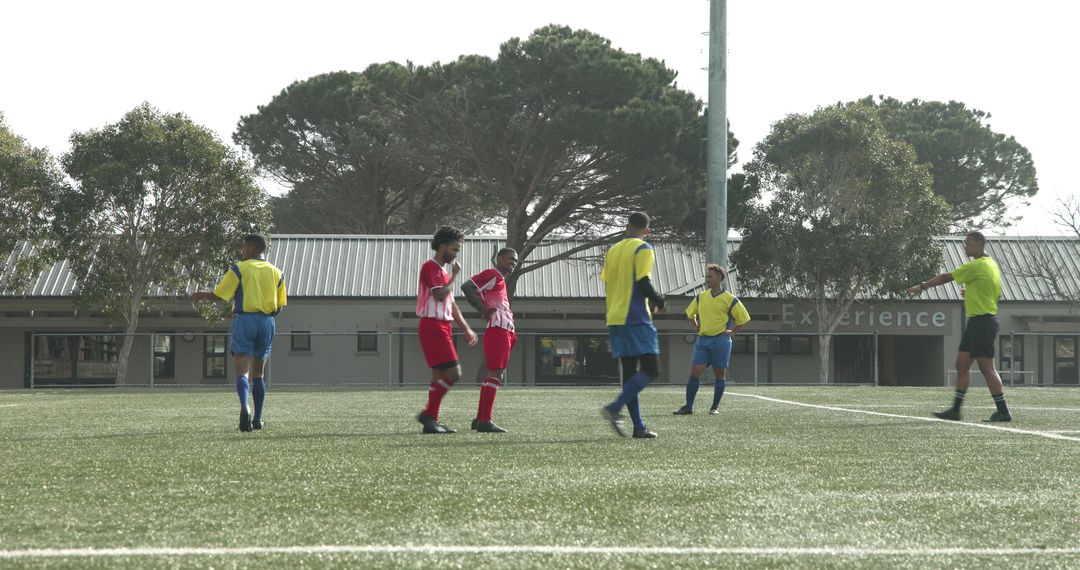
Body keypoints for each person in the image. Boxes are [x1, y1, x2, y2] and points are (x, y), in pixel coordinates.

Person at [906, 231, 1011, 422]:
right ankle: (955, 410)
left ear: (979, 244)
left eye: (968, 244)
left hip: (982, 322)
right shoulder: (991, 265)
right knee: (962, 365)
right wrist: (972, 293)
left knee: (987, 368)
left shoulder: (977, 265)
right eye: (965, 243)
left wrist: (921, 287)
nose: (965, 247)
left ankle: (1003, 411)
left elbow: (946, 277)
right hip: (978, 323)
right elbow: (995, 294)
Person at [192, 234, 286, 432]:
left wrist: (200, 295)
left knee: (242, 372)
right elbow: (280, 306)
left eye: (244, 247)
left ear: (252, 248)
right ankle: (258, 419)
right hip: (267, 321)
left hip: (245, 320)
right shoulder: (277, 272)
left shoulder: (240, 268)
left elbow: (221, 295)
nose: (242, 251)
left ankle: (245, 407)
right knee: (259, 374)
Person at [600, 212, 666, 439]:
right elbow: (642, 280)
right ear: (647, 231)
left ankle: (638, 427)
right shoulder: (643, 248)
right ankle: (615, 407)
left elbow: (608, 281)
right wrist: (659, 299)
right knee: (651, 369)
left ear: (627, 226)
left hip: (615, 317)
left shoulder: (613, 250)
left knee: (630, 375)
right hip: (635, 315)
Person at [415, 226, 479, 434]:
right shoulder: (430, 267)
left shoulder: (442, 271)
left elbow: (451, 305)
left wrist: (467, 329)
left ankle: (431, 421)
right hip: (432, 325)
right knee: (454, 372)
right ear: (442, 247)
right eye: (454, 249)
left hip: (442, 325)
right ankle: (428, 414)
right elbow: (441, 295)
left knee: (439, 375)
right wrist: (454, 277)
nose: (456, 253)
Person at [674, 264, 750, 416]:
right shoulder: (701, 296)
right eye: (706, 276)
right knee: (695, 373)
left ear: (719, 278)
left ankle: (714, 407)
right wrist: (694, 324)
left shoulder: (730, 299)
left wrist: (733, 331)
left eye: (710, 276)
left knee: (720, 374)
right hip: (703, 341)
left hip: (721, 341)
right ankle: (688, 407)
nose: (707, 279)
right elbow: (690, 313)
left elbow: (743, 318)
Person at [461, 247, 520, 433]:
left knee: (494, 373)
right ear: (500, 258)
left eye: (516, 261)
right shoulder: (492, 274)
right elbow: (467, 286)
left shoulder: (500, 279)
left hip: (505, 329)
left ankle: (480, 419)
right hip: (498, 328)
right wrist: (482, 309)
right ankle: (485, 420)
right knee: (496, 373)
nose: (513, 263)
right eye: (510, 259)